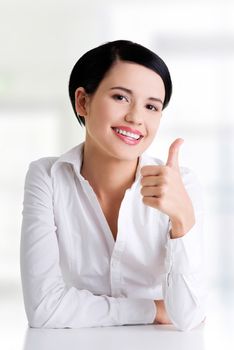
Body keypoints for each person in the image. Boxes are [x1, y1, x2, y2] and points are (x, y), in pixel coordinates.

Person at [20, 39, 206, 331]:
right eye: (121, 97)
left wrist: (182, 222)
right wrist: (152, 309)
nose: (136, 118)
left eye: (151, 106)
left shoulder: (181, 184)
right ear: (83, 102)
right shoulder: (47, 177)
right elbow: (44, 309)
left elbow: (189, 316)